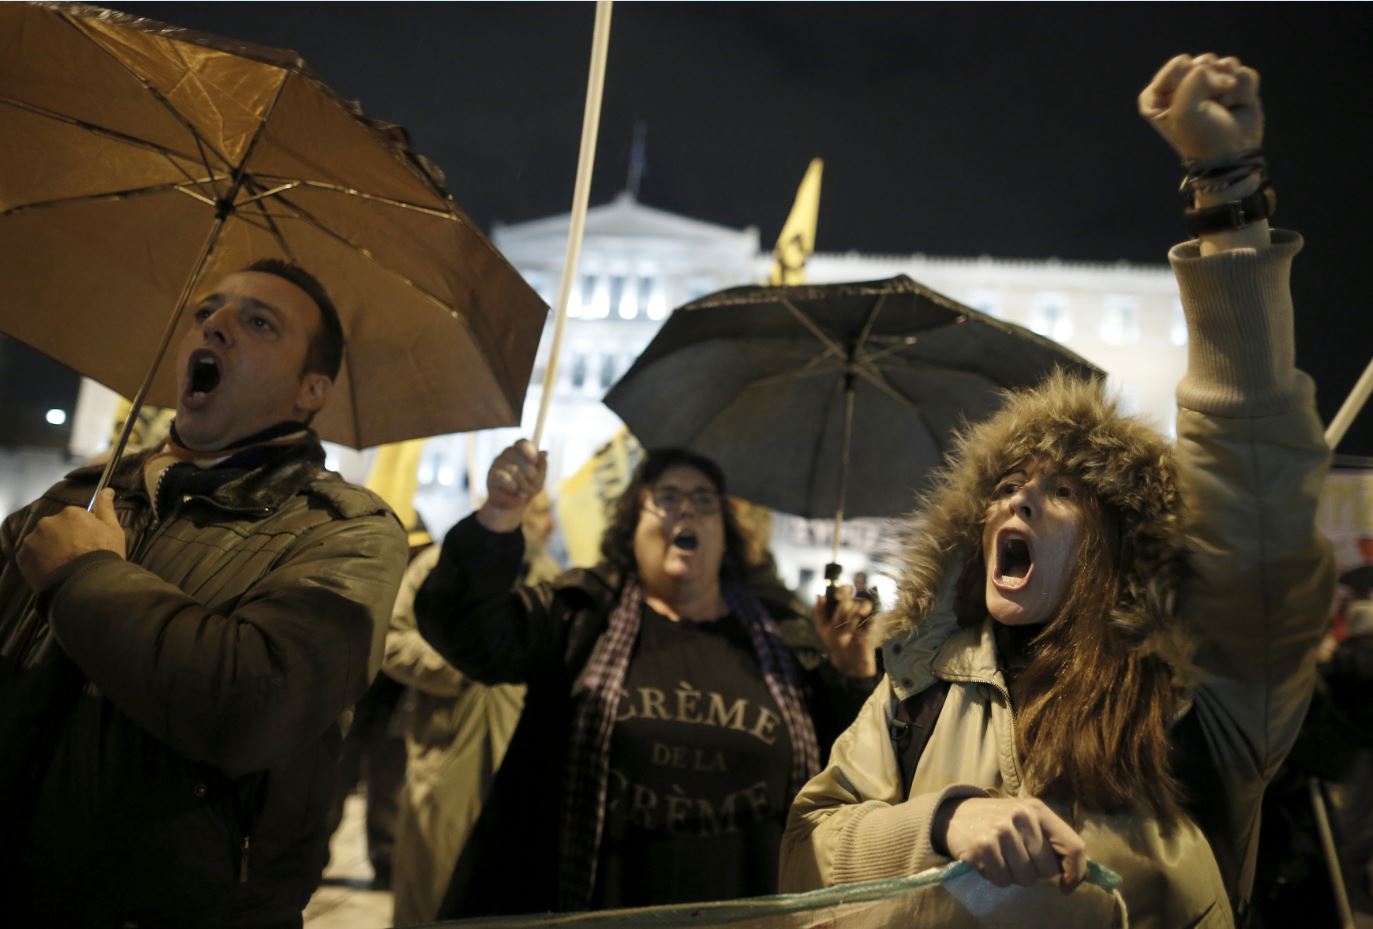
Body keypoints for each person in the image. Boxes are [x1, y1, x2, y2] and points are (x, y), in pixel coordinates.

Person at [779, 53, 1333, 928]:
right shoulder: (918, 685)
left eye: (1061, 490)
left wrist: (1225, 200)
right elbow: (809, 845)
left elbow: (1250, 474)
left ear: (1114, 542)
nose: (1017, 502)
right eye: (1003, 485)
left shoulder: (1196, 696)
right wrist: (947, 819)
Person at [0, 261, 408, 928]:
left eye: (257, 322)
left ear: (311, 390)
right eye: (207, 312)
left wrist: (85, 578)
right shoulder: (76, 496)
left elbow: (252, 704)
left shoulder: (345, 532)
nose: (215, 324)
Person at [414, 447, 882, 916]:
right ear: (632, 525)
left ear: (724, 533)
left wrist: (852, 671)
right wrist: (501, 512)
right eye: (668, 497)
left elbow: (847, 769)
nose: (685, 509)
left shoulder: (785, 637)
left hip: (744, 911)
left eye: (703, 501)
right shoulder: (579, 614)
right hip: (595, 907)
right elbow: (463, 629)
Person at [385, 490, 562, 925]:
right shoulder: (443, 568)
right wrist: (460, 664)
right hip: (445, 753)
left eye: (541, 511)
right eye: (527, 509)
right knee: (432, 881)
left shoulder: (551, 579)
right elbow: (389, 639)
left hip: (515, 749)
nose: (537, 521)